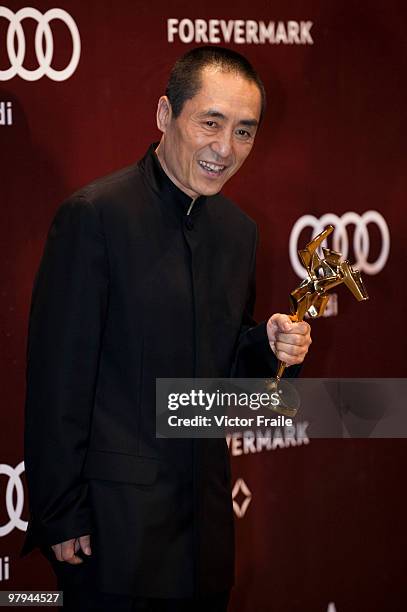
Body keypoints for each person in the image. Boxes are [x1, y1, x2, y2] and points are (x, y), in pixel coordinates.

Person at [21, 46, 311, 611]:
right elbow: (58, 379)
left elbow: (222, 390)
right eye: (211, 122)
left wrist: (267, 346)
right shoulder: (95, 216)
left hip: (203, 540)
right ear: (164, 115)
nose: (225, 149)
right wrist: (60, 512)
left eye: (245, 132)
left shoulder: (238, 233)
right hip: (111, 537)